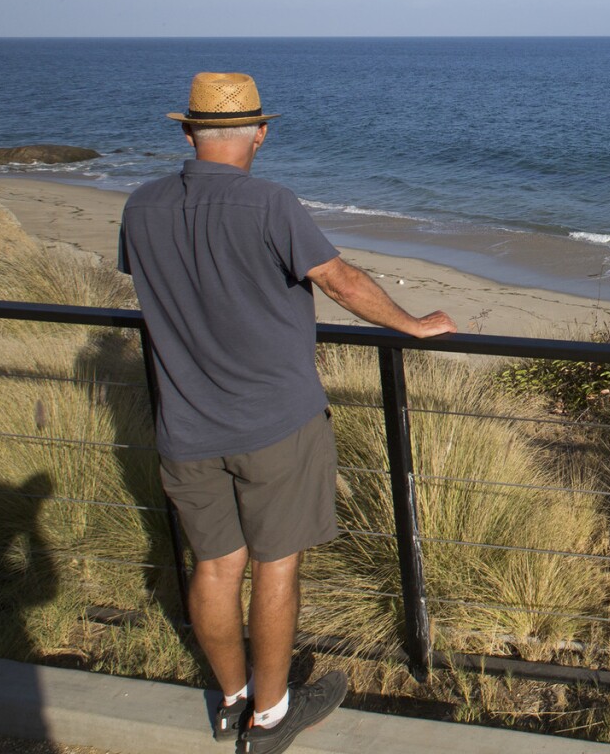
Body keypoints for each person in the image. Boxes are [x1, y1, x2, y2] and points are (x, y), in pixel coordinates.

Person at [118, 72, 455, 753]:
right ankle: (270, 718)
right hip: (275, 422)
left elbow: (164, 285)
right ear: (260, 134)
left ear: (187, 131)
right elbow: (339, 279)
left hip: (185, 426)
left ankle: (232, 699)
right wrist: (413, 325)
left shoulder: (141, 207)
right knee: (276, 567)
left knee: (215, 567)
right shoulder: (270, 205)